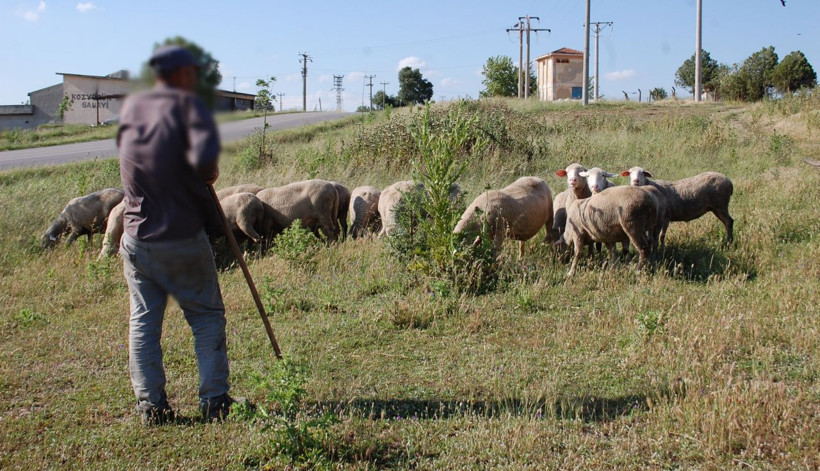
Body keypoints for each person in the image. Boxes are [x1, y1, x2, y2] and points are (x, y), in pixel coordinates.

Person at [117, 44, 233, 425]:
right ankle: (215, 401)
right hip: (181, 238)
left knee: (144, 321)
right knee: (206, 316)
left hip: (136, 236)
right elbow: (208, 171)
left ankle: (151, 406)